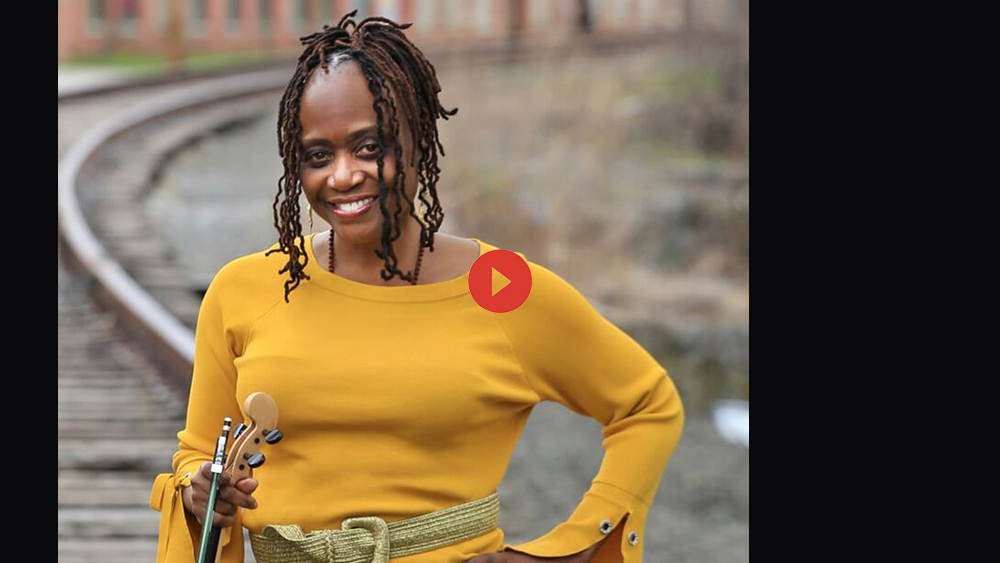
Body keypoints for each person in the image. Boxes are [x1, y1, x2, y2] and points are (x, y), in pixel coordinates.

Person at [150, 11, 685, 563]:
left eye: (368, 147)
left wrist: (577, 546)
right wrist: (201, 491)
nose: (341, 176)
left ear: (420, 140)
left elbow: (647, 403)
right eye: (318, 155)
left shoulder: (501, 286)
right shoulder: (244, 287)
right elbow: (195, 452)